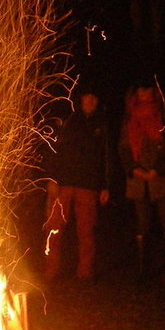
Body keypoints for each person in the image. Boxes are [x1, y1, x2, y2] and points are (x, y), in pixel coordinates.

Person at [41, 92, 114, 286]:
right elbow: (55, 150)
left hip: (88, 185)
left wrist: (106, 185)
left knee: (86, 231)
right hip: (63, 183)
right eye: (86, 98)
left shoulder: (102, 124)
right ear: (80, 100)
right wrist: (52, 179)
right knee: (54, 228)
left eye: (93, 98)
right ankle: (51, 270)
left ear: (97, 101)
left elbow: (106, 155)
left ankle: (85, 273)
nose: (90, 101)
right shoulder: (69, 120)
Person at [119, 83, 165, 281]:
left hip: (160, 176)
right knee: (142, 222)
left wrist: (157, 169)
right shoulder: (129, 116)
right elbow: (123, 145)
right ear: (135, 92)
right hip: (138, 177)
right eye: (140, 90)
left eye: (147, 90)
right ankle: (142, 268)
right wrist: (133, 168)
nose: (144, 94)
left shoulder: (163, 114)